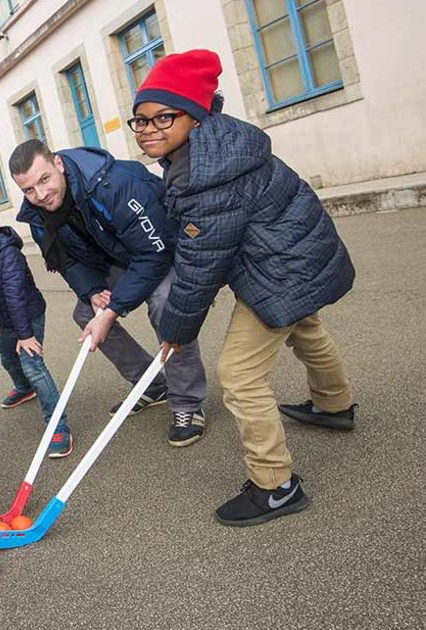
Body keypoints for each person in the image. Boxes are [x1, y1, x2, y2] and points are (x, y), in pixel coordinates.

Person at [131, 49, 357, 526]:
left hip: (281, 265)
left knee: (238, 373)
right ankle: (335, 405)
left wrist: (175, 329)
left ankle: (275, 486)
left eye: (162, 117)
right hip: (295, 250)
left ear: (194, 114)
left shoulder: (205, 174)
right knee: (304, 325)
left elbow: (200, 265)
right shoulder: (211, 145)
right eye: (140, 120)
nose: (149, 129)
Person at [9, 139, 209, 446]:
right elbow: (68, 260)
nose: (40, 194)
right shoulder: (37, 214)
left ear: (58, 164)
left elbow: (154, 254)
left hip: (164, 249)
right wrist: (91, 291)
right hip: (120, 257)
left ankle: (187, 403)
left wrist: (114, 308)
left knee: (164, 302)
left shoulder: (115, 183)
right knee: (86, 313)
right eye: (28, 190)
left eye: (44, 179)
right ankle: (151, 384)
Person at [0, 206, 71, 457]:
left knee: (33, 366)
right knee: (8, 359)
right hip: (3, 322)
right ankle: (23, 388)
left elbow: (15, 296)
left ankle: (57, 425)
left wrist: (25, 335)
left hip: (28, 317)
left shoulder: (10, 256)